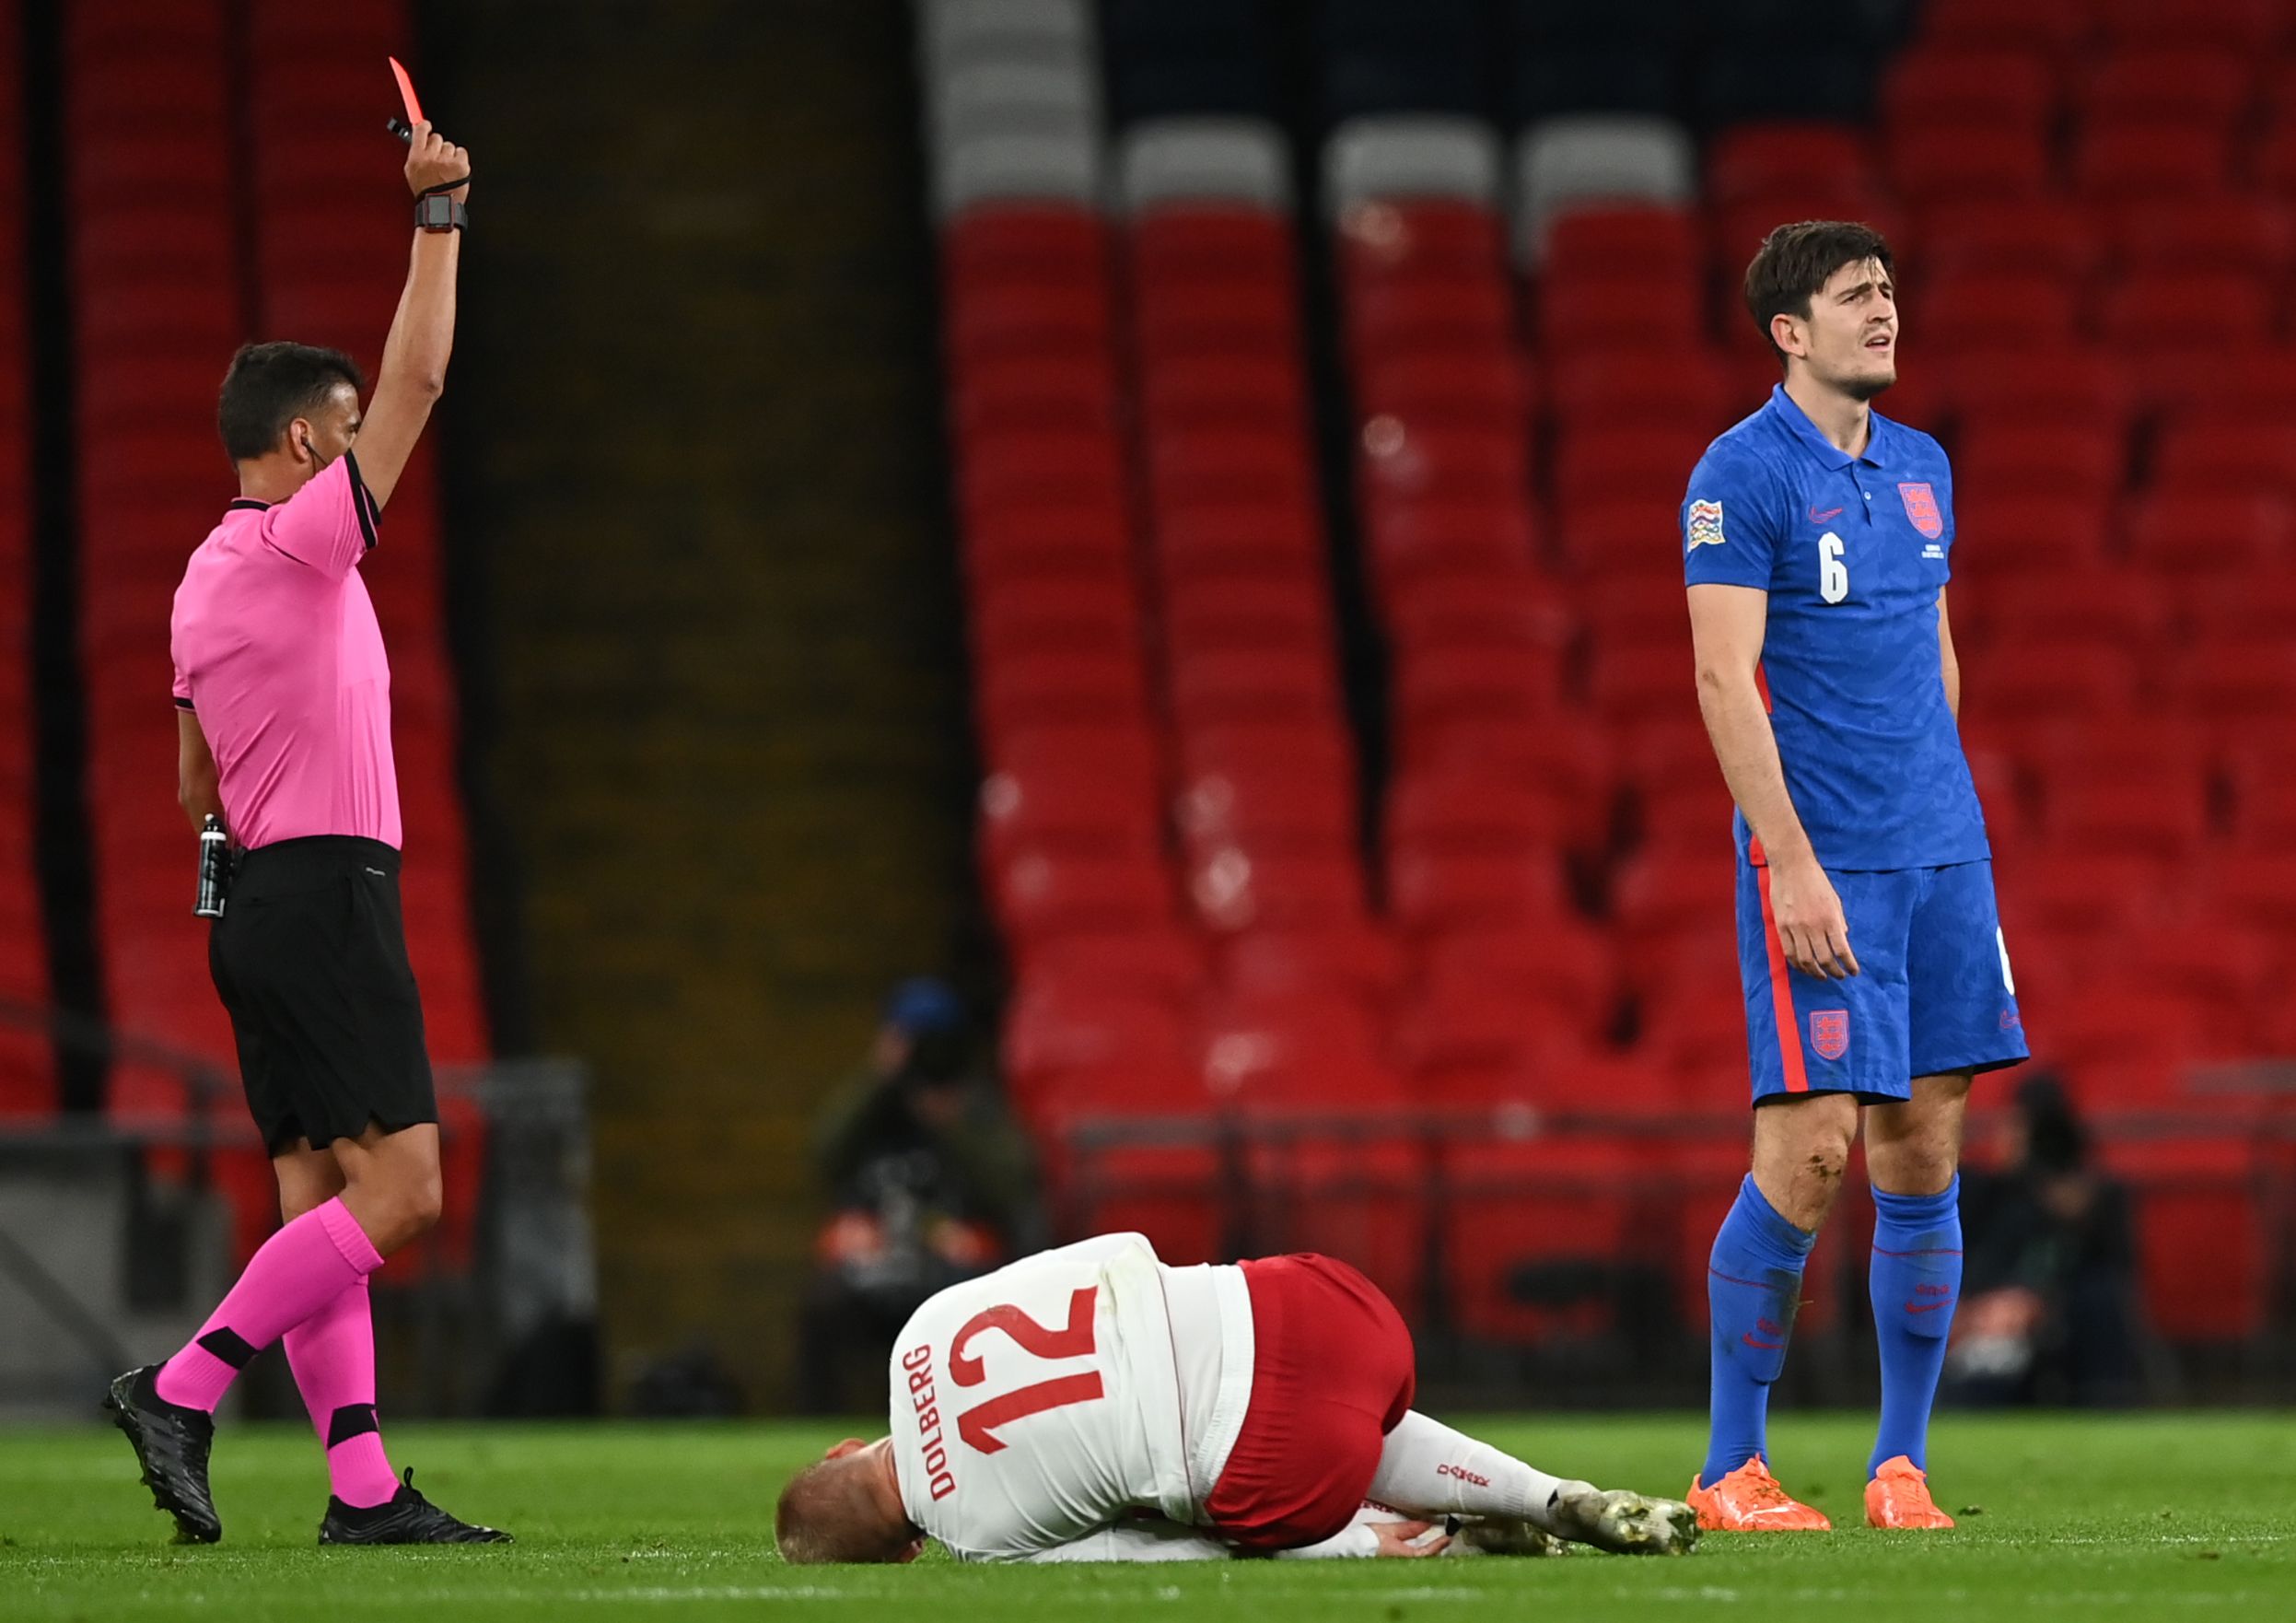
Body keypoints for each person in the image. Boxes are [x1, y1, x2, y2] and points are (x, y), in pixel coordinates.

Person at [104, 123, 506, 1547]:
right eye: (339, 437)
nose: (358, 453)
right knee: (401, 1192)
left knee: (317, 1207)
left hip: (254, 905)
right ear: (301, 442)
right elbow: (421, 375)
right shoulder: (298, 542)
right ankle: (183, 1383)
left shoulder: (196, 588)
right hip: (329, 892)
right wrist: (439, 214)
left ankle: (361, 1491)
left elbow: (190, 784)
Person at [1678, 221, 2028, 1533]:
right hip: (1824, 863)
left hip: (1944, 855)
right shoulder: (1737, 474)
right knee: (1812, 1152)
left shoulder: (1925, 467)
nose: (1883, 310)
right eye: (1853, 294)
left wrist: (1941, 809)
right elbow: (1722, 680)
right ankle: (1728, 1468)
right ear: (1789, 329)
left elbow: (1935, 653)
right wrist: (1790, 858)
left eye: (1888, 289)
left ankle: (1900, 1467)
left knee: (1923, 1150)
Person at [775, 1232, 1698, 1563]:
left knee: (1205, 1484)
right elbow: (1110, 1252)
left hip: (1289, 1464)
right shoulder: (920, 1333)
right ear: (840, 1448)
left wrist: (1338, 1546)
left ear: (899, 1555)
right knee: (1310, 1394)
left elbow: (1143, 1556)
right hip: (1318, 1305)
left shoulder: (973, 1536)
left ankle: (1413, 1541)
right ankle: (1545, 1495)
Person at [797, 978, 1042, 1413]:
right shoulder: (874, 1108)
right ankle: (819, 1425)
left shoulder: (978, 1110)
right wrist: (880, 1078)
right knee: (824, 1304)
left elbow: (1014, 1185)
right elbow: (825, 1154)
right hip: (878, 1262)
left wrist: (953, 1119)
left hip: (956, 1267)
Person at [1950, 1073, 2142, 1407]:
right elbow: (1979, 1254)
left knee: (2097, 1302)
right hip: (1992, 1308)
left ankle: (2100, 1401)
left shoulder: (2092, 1194)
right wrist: (1974, 1302)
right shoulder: (1990, 1192)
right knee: (1984, 1353)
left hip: (2061, 1305)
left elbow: (2100, 1261)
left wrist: (2035, 1296)